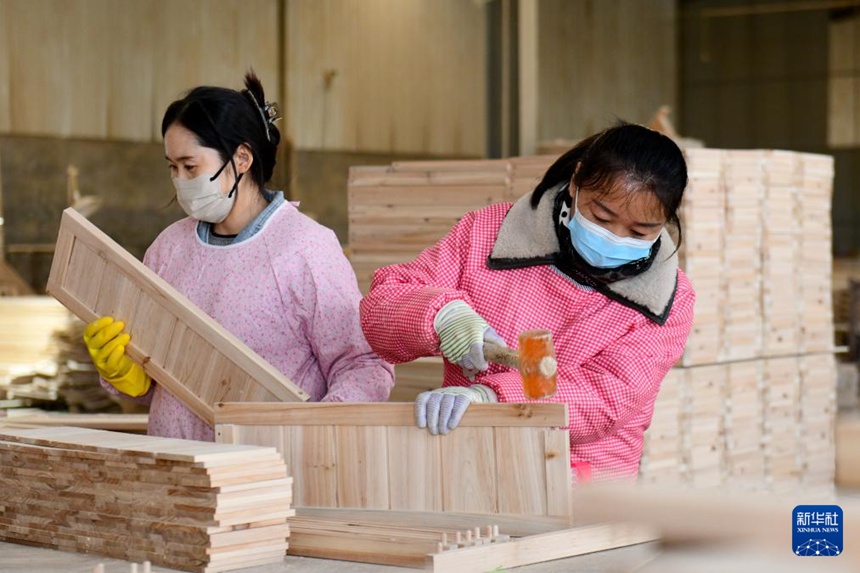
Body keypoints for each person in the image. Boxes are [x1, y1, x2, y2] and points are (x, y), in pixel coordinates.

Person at [359, 122, 695, 483]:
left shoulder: (668, 300)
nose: (614, 238)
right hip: (467, 466)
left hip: (580, 488)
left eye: (639, 232)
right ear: (577, 180)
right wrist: (441, 314)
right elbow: (383, 303)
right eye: (602, 216)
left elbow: (604, 396)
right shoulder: (488, 233)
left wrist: (492, 397)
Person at [83, 71, 394, 441]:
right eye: (172, 167)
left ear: (242, 158)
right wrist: (127, 374)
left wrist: (315, 434)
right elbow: (158, 381)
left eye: (190, 166)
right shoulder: (168, 249)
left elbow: (363, 365)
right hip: (175, 466)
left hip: (266, 472)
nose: (181, 180)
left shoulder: (305, 248)